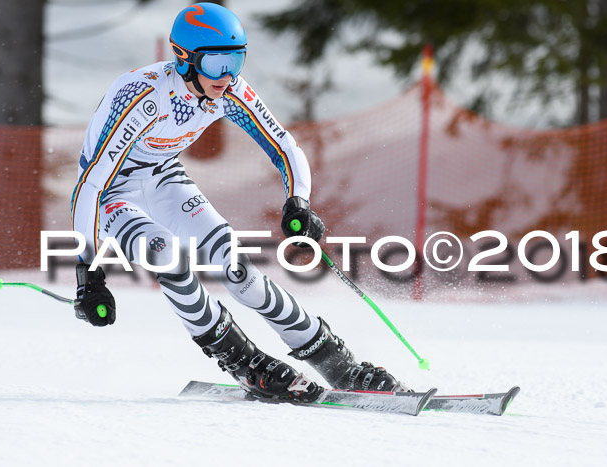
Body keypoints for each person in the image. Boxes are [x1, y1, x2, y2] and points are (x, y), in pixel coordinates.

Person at [71, 3, 407, 400]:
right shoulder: (146, 98)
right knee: (169, 258)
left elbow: (282, 144)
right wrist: (88, 272)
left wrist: (298, 201)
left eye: (236, 59)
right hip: (111, 192)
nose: (227, 75)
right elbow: (91, 186)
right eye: (216, 62)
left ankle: (338, 364)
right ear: (184, 59)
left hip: (162, 176)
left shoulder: (228, 91)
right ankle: (244, 362)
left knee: (237, 269)